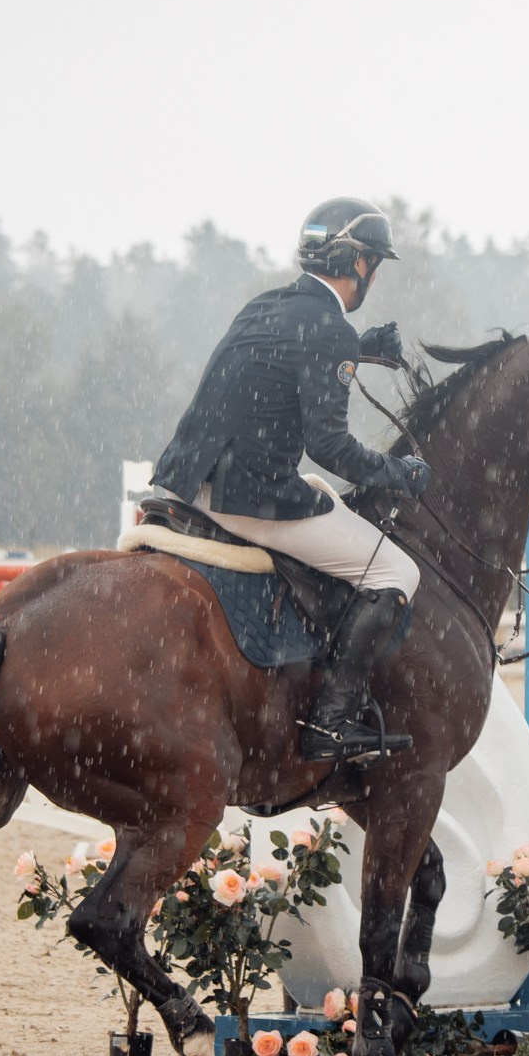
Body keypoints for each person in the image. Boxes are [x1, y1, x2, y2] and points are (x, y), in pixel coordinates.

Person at [151, 197, 431, 763]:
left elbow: (283, 356)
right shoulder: (330, 330)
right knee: (398, 570)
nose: (373, 276)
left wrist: (360, 349)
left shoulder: (267, 305)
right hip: (248, 497)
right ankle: (332, 721)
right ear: (358, 264)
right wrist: (399, 473)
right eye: (374, 264)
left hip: (186, 479)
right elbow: (331, 448)